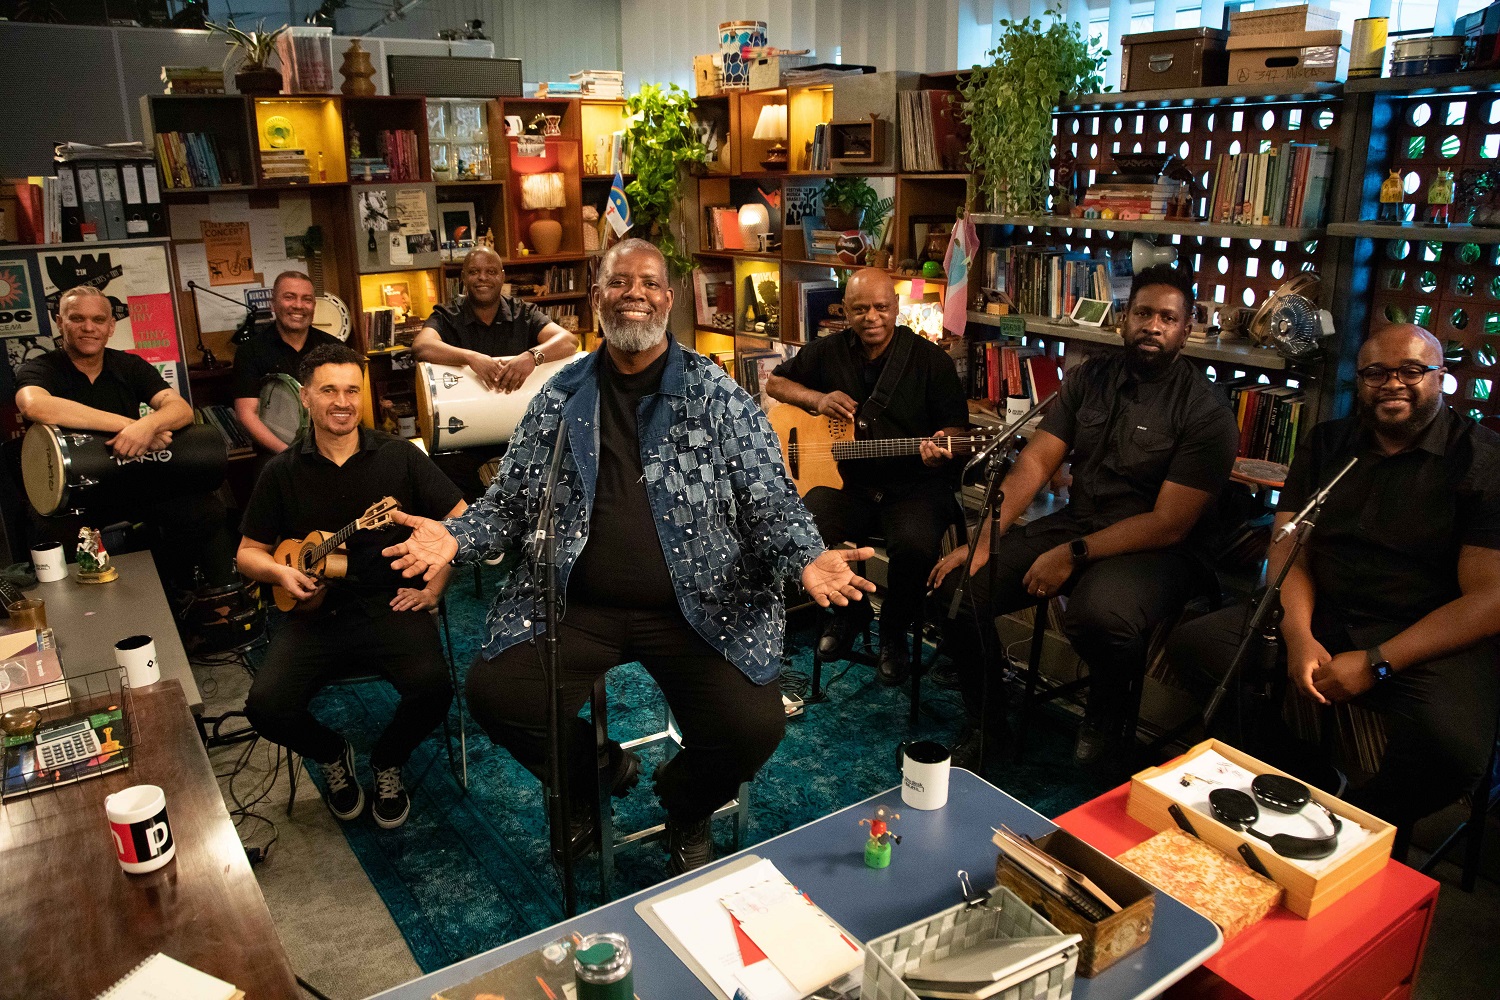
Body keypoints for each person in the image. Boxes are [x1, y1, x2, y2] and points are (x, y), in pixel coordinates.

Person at [382, 239, 875, 874]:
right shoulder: (559, 397)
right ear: (597, 299)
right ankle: (594, 776)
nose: (633, 293)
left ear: (667, 299)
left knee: (753, 728)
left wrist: (806, 557)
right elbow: (509, 505)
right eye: (619, 282)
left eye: (648, 283)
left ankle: (686, 801)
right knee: (497, 695)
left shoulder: (717, 396)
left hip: (700, 605)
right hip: (576, 601)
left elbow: (770, 500)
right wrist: (458, 537)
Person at [1166, 324, 1500, 850]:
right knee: (1198, 646)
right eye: (1376, 373)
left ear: (1441, 377)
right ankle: (1305, 780)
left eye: (1412, 371)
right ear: (1360, 381)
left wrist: (1378, 663)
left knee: (1454, 751)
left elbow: (1488, 599)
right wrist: (1299, 635)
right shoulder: (1329, 443)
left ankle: (1357, 828)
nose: (1393, 383)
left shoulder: (1484, 461)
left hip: (1426, 634)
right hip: (1324, 609)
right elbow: (1287, 547)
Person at [929, 264, 1239, 764]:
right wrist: (985, 538)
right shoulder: (1089, 378)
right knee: (959, 588)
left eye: (1167, 318)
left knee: (1099, 614)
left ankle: (1106, 715)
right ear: (1124, 319)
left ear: (1186, 329)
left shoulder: (1207, 412)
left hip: (1160, 550)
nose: (1153, 326)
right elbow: (1036, 461)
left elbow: (1169, 523)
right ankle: (989, 725)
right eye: (1143, 313)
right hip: (1082, 521)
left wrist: (1072, 554)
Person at [237, 343, 467, 830]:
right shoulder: (281, 471)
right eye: (328, 391)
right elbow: (247, 552)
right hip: (311, 615)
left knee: (434, 690)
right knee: (265, 708)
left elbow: (462, 522)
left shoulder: (399, 457)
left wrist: (436, 587)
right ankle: (331, 752)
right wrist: (280, 573)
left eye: (351, 390)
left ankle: (387, 759)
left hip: (390, 603)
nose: (342, 402)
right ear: (305, 397)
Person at [764, 268, 968, 685]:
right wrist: (817, 399)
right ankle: (849, 612)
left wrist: (940, 450)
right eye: (860, 309)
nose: (871, 317)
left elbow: (958, 432)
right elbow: (776, 383)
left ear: (896, 306)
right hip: (849, 485)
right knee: (799, 525)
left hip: (914, 487)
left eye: (880, 307)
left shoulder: (932, 361)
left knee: (914, 546)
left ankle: (894, 631)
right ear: (845, 311)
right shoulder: (828, 351)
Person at [14, 285, 237, 593]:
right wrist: (129, 426)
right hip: (74, 497)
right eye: (77, 318)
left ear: (110, 327)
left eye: (98, 319)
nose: (89, 327)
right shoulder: (41, 368)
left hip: (133, 481)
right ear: (59, 322)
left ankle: (194, 596)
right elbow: (34, 405)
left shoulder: (129, 365)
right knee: (47, 533)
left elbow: (180, 409)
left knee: (206, 511)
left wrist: (150, 425)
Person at [413, 246, 581, 498]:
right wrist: (470, 358)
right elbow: (421, 346)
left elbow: (568, 341)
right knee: (443, 467)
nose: (482, 278)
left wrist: (531, 356)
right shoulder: (448, 315)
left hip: (520, 427)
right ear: (463, 277)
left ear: (502, 277)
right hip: (469, 434)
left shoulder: (524, 313)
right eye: (474, 272)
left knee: (555, 460)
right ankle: (476, 517)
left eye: (491, 271)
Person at [232, 270, 342, 457]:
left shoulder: (335, 349)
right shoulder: (250, 351)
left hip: (330, 451)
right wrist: (291, 456)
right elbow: (246, 415)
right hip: (277, 456)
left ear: (314, 306)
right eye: (289, 297)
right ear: (273, 304)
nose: (298, 306)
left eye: (307, 299)